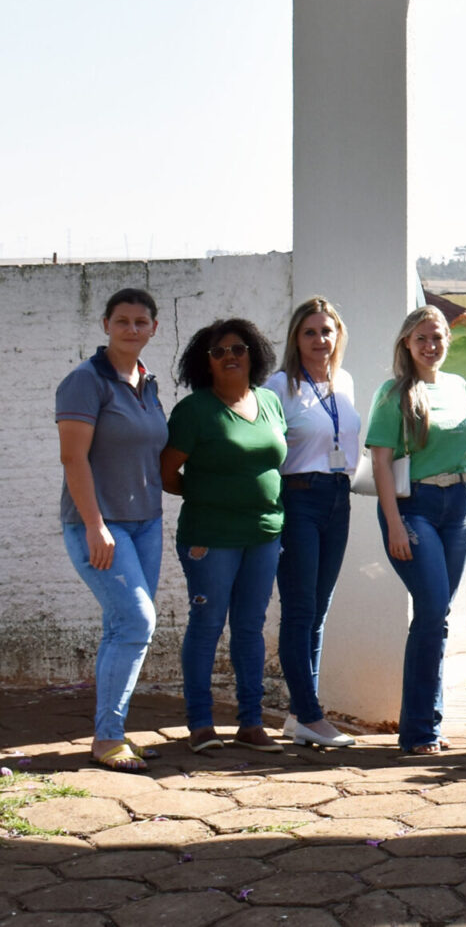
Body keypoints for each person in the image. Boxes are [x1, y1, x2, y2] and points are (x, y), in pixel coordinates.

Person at [161, 317, 288, 754]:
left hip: (265, 534)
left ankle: (251, 724)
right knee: (208, 625)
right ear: (206, 363)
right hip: (210, 539)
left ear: (253, 353)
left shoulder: (270, 402)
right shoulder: (194, 411)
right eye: (219, 352)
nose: (230, 357)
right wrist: (209, 497)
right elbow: (166, 473)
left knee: (250, 628)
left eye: (238, 348)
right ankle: (200, 725)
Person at [56, 287, 170, 772]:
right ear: (105, 325)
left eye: (140, 321)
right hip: (100, 525)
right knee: (139, 622)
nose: (131, 329)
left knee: (120, 627)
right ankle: (108, 737)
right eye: (121, 320)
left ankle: (109, 731)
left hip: (147, 523)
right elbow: (72, 457)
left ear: (153, 328)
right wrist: (95, 525)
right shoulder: (85, 381)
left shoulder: (147, 382)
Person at [366, 306, 466, 756]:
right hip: (414, 509)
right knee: (432, 611)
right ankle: (418, 731)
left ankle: (428, 721)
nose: (430, 346)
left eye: (437, 337)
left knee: (436, 619)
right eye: (421, 339)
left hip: (458, 505)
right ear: (406, 344)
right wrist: (394, 523)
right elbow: (379, 462)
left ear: (448, 340)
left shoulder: (457, 387)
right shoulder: (394, 394)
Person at [263, 297, 361, 749]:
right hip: (297, 499)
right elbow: (268, 449)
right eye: (310, 332)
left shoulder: (345, 383)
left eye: (327, 331)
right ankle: (310, 715)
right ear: (295, 338)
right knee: (300, 612)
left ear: (338, 335)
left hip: (338, 500)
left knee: (318, 612)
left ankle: (299, 714)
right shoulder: (280, 385)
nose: (320, 340)